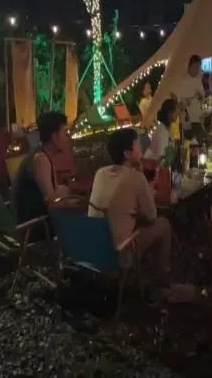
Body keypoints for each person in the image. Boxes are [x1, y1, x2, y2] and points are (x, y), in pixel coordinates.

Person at [88, 128, 173, 301]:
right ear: (127, 153)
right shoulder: (136, 178)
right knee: (163, 224)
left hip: (93, 248)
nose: (141, 148)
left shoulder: (100, 173)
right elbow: (151, 216)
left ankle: (145, 272)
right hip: (119, 252)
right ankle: (161, 283)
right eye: (137, 145)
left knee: (136, 223)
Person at [13, 111, 71, 241]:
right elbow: (52, 203)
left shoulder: (41, 154)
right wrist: (64, 192)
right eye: (65, 132)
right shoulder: (40, 159)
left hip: (34, 222)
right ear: (54, 137)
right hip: (36, 228)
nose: (68, 137)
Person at [177, 55, 206, 141]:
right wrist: (185, 101)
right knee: (189, 142)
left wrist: (200, 96)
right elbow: (180, 100)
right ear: (190, 66)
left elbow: (202, 96)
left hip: (197, 117)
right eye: (195, 67)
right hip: (187, 118)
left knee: (200, 141)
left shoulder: (198, 80)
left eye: (198, 68)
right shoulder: (183, 80)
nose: (197, 70)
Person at [144, 99, 178, 166]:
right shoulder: (161, 132)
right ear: (169, 114)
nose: (177, 113)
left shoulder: (167, 129)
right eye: (175, 111)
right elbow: (161, 159)